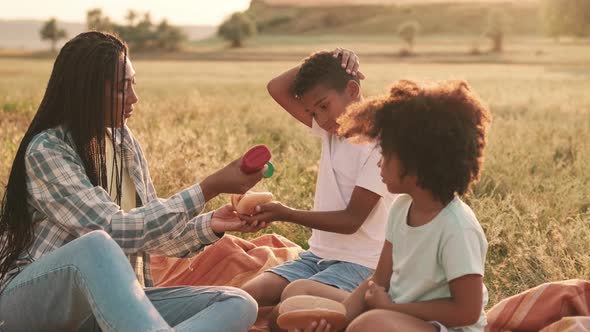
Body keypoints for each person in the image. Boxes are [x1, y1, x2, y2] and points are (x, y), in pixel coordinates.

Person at [0, 31, 267, 332]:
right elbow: (113, 230)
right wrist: (209, 187)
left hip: (106, 309)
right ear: (85, 92)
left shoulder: (123, 142)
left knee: (237, 303)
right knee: (96, 244)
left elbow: (149, 233)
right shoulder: (48, 150)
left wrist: (213, 223)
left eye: (133, 84)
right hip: (29, 306)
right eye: (120, 89)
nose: (134, 98)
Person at [241, 49, 395, 331]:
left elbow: (351, 221)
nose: (320, 119)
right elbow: (276, 87)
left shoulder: (381, 144)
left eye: (324, 106)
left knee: (281, 315)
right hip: (316, 257)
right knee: (242, 300)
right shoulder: (332, 128)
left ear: (352, 90)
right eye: (312, 112)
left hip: (362, 264)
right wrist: (331, 56)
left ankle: (362, 308)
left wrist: (285, 214)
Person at [323, 79, 490, 332]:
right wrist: (336, 319)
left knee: (369, 324)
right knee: (299, 291)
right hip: (398, 314)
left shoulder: (457, 227)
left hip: (444, 327)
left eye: (386, 155)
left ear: (416, 164)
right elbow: (379, 280)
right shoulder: (401, 207)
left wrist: (390, 309)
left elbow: (467, 312)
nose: (379, 164)